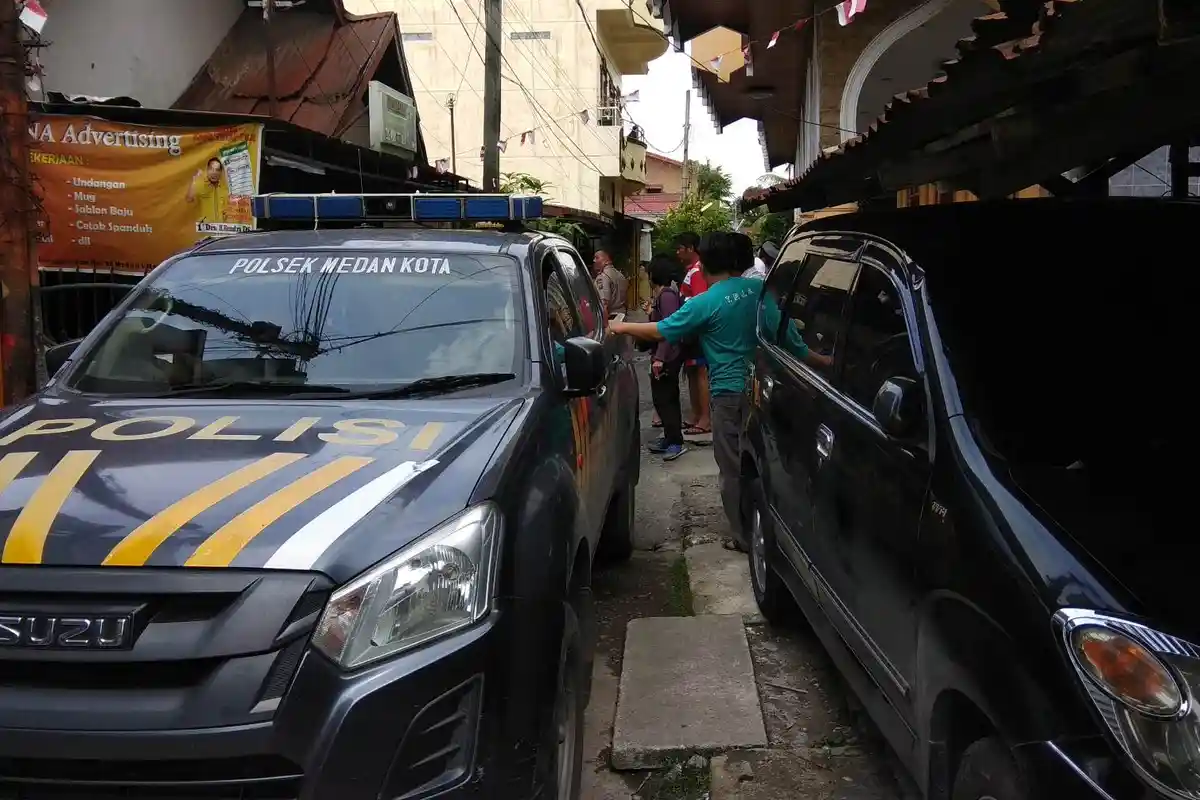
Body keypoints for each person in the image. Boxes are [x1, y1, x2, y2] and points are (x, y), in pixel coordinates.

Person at [610, 231, 832, 552]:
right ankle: (772, 528)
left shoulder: (708, 300)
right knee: (764, 461)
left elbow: (663, 329)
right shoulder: (759, 291)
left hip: (728, 394)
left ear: (705, 263)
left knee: (731, 468)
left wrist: (620, 327)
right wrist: (826, 361)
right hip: (764, 390)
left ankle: (743, 537)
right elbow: (792, 343)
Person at [644, 255, 687, 461]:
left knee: (667, 399)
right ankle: (670, 438)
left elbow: (669, 329)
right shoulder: (661, 295)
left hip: (668, 356)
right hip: (662, 354)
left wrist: (660, 358)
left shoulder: (667, 295)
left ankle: (676, 442)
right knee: (661, 399)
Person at [673, 232, 711, 435]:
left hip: (696, 331)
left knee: (700, 373)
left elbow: (699, 302)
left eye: (680, 248)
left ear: (690, 249)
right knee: (693, 373)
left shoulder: (697, 272)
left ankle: (704, 418)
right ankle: (697, 415)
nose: (677, 252)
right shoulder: (692, 271)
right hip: (691, 330)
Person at [186, 157, 230, 223]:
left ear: (220, 172)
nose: (214, 173)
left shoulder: (225, 188)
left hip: (223, 229)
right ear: (207, 170)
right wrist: (194, 182)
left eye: (217, 170)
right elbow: (189, 198)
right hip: (206, 229)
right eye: (211, 169)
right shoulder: (201, 184)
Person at [592, 249, 628, 318]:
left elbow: (603, 305)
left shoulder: (602, 277)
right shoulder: (621, 275)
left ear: (606, 259)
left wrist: (604, 325)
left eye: (597, 258)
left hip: (610, 318)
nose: (594, 260)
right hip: (622, 316)